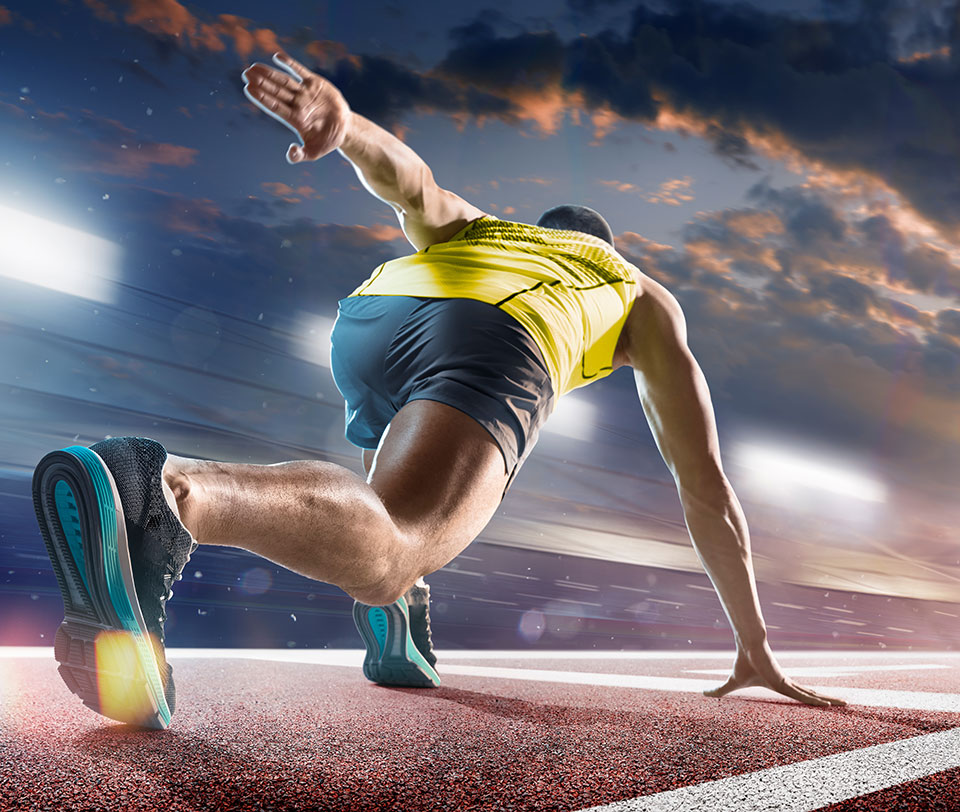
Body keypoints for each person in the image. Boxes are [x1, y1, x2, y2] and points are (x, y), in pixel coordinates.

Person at [29, 52, 845, 729]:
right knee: (398, 540)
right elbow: (705, 490)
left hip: (373, 321)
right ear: (602, 244)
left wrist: (345, 129)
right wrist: (753, 643)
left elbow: (412, 182)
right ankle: (168, 491)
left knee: (393, 474)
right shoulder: (635, 291)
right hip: (491, 338)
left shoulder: (493, 229)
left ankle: (398, 622)